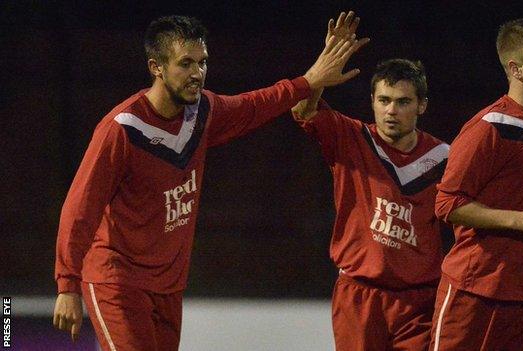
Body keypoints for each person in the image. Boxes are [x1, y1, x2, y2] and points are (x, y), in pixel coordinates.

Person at [52, 14, 366, 350]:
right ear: (156, 67)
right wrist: (67, 285)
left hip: (168, 286)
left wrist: (309, 80)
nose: (197, 73)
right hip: (117, 281)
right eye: (185, 63)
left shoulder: (200, 113)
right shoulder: (122, 129)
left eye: (202, 62)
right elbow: (80, 207)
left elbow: (254, 105)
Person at [292, 11, 449, 351]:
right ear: (373, 103)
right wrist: (317, 74)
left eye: (403, 102)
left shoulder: (445, 158)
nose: (392, 110)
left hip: (419, 301)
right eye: (384, 101)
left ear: (422, 105)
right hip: (359, 295)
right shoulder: (351, 138)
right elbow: (304, 109)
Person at [430, 17, 523, 350]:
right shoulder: (487, 129)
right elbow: (446, 203)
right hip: (478, 295)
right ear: (517, 69)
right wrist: (519, 220)